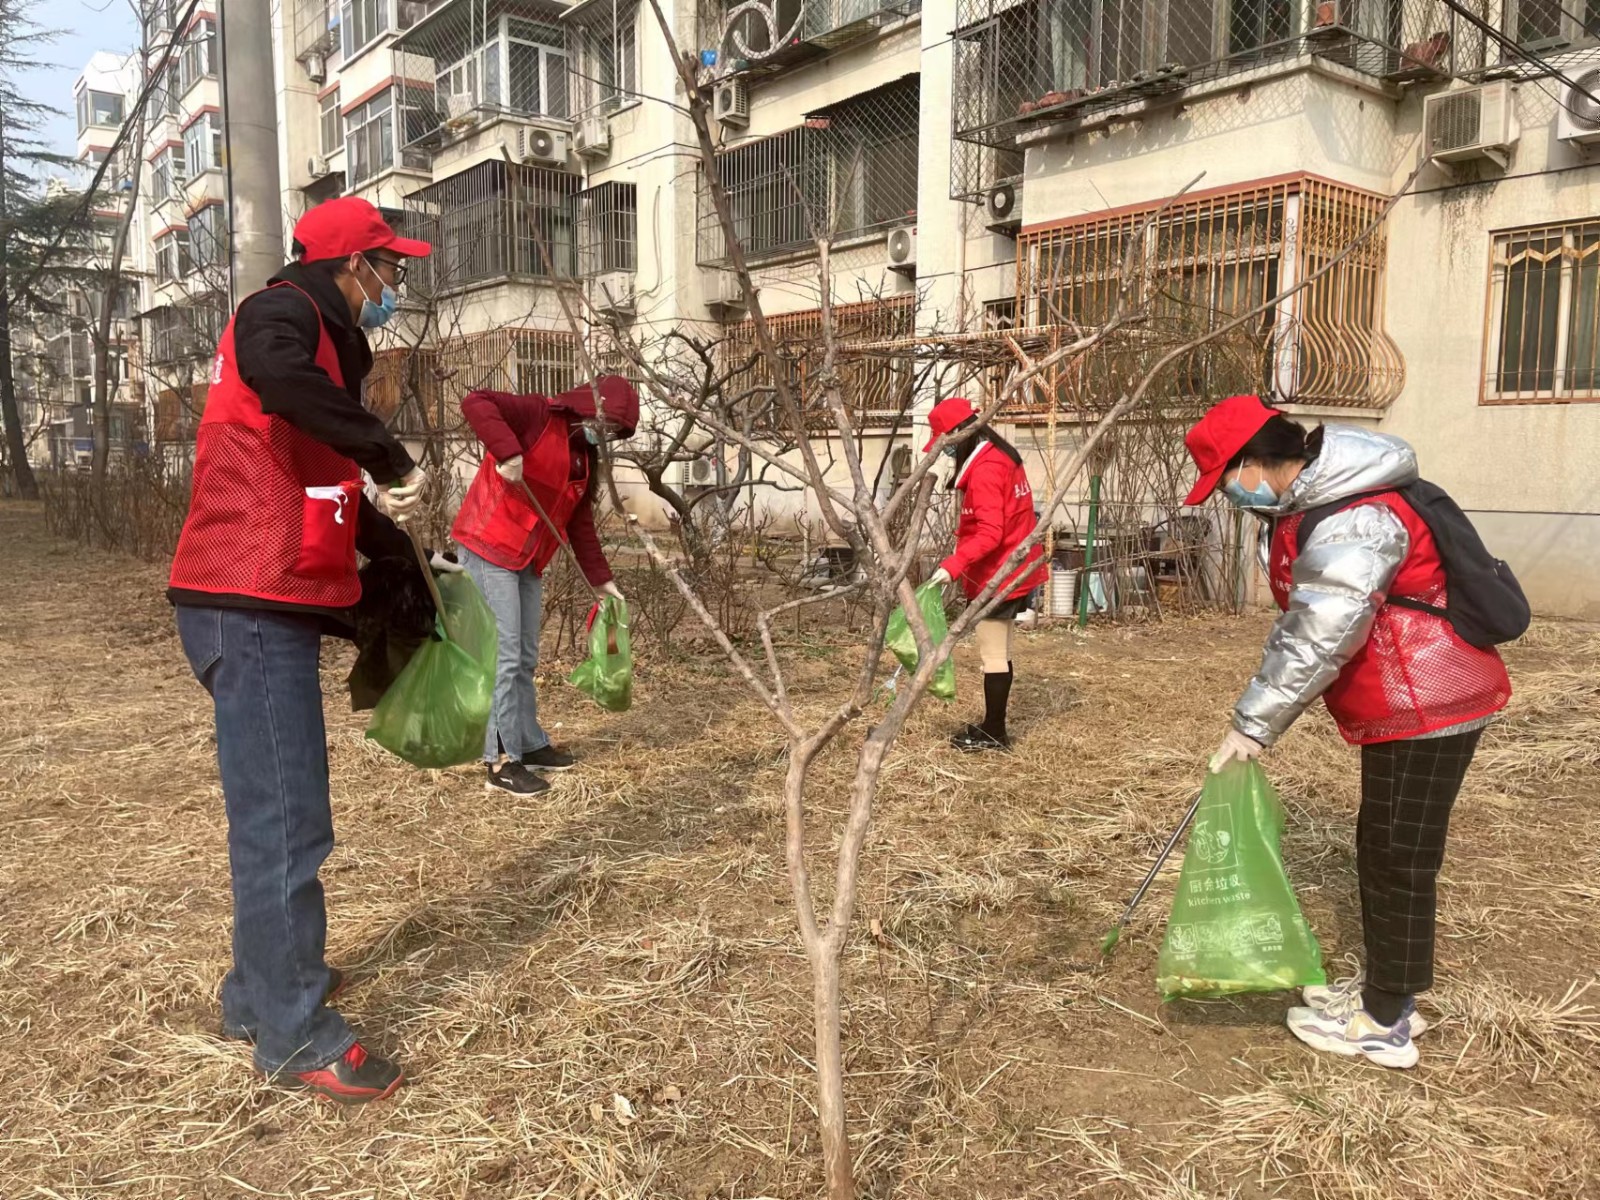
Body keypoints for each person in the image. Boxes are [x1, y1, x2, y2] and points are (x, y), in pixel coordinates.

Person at [168, 197, 437, 1104]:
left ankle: (257, 992)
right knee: (286, 821)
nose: (396, 285)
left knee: (273, 815)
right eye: (389, 268)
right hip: (245, 597)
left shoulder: (326, 351)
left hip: (259, 595)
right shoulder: (280, 314)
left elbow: (316, 474)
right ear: (349, 267)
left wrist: (397, 551)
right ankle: (293, 1035)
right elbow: (279, 381)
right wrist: (388, 454)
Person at [1185, 394, 1511, 1069]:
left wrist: (1253, 726)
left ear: (1255, 461)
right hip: (1414, 695)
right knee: (1385, 847)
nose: (1230, 496)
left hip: (1428, 699)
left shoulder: (1355, 514)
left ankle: (1386, 1022)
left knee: (1398, 857)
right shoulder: (1326, 502)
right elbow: (1307, 618)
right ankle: (1384, 994)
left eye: (1226, 481)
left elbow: (1322, 630)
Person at [451, 377, 639, 794]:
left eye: (612, 433)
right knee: (503, 655)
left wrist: (602, 580)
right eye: (604, 424)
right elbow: (476, 402)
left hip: (529, 558)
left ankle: (528, 742)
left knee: (525, 657)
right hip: (489, 546)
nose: (603, 434)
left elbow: (579, 522)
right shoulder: (537, 414)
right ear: (588, 406)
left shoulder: (583, 457)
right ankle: (500, 762)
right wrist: (508, 451)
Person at [924, 396, 1049, 751]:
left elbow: (990, 532)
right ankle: (993, 725)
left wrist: (952, 567)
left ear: (959, 435)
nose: (945, 452)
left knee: (993, 655)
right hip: (1015, 569)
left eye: (945, 444)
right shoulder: (1001, 456)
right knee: (1001, 651)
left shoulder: (986, 470)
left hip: (999, 575)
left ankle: (995, 732)